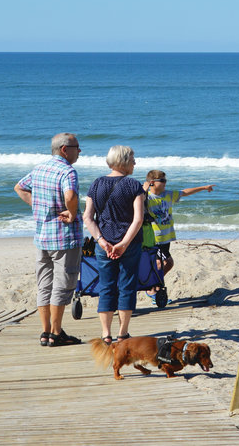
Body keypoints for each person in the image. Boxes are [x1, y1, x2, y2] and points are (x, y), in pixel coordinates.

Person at [13, 132, 85, 347]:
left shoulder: (40, 168)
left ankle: (45, 332)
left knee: (45, 284)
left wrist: (39, 206)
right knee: (63, 285)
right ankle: (55, 333)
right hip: (64, 237)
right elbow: (70, 196)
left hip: (42, 236)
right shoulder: (67, 171)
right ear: (65, 149)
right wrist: (71, 214)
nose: (79, 151)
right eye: (76, 147)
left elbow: (19, 187)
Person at [82, 145, 146, 344]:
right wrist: (124, 244)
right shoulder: (133, 185)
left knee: (106, 286)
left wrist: (101, 241)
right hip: (130, 243)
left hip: (104, 244)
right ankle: (123, 333)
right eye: (132, 159)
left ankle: (105, 333)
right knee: (127, 286)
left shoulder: (96, 184)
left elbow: (88, 217)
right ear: (124, 162)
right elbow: (138, 220)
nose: (135, 163)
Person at [142, 169, 214, 280]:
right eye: (162, 180)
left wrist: (204, 188)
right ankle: (153, 285)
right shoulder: (146, 197)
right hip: (155, 238)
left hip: (167, 236)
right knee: (168, 263)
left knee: (161, 264)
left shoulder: (168, 195)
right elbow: (133, 203)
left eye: (165, 180)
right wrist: (143, 190)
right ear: (152, 182)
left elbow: (185, 192)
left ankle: (153, 284)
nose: (165, 182)